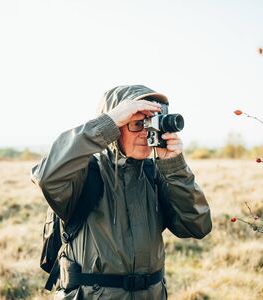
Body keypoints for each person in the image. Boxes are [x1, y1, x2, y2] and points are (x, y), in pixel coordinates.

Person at [31, 85, 212, 299]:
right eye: (137, 124)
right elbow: (46, 176)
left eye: (151, 124)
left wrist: (175, 167)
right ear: (115, 128)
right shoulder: (85, 172)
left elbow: (197, 225)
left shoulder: (156, 173)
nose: (146, 133)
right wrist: (107, 122)